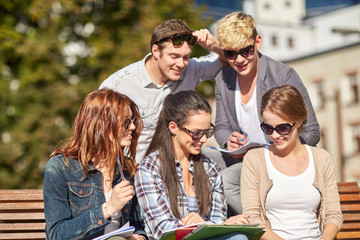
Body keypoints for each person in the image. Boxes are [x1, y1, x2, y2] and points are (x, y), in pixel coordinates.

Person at [204, 11, 320, 215]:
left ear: (258, 42)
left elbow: (312, 132)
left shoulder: (283, 75)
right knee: (199, 156)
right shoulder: (224, 78)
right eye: (230, 54)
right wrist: (227, 141)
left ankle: (263, 227)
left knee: (227, 180)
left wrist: (277, 148)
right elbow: (221, 127)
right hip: (242, 157)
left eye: (246, 51)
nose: (239, 59)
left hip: (275, 159)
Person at [99, 19, 227, 162]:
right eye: (174, 56)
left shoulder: (190, 69)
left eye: (186, 57)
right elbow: (98, 135)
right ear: (155, 51)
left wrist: (214, 46)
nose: (181, 64)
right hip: (131, 171)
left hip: (173, 168)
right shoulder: (117, 85)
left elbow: (228, 60)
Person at [134, 90, 250, 240]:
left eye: (207, 132)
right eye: (196, 133)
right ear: (173, 127)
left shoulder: (210, 167)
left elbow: (218, 218)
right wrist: (200, 227)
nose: (202, 139)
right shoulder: (150, 168)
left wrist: (206, 225)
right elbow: (160, 230)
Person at [43, 89, 148, 240]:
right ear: (101, 125)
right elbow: (56, 234)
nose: (132, 127)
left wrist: (139, 237)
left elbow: (137, 223)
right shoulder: (61, 167)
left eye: (133, 121)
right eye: (126, 122)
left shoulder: (126, 167)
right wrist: (108, 208)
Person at [241, 85, 343, 239]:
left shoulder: (321, 158)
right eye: (268, 128)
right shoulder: (254, 159)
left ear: (299, 121)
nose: (275, 135)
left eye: (282, 128)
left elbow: (333, 214)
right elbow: (253, 218)